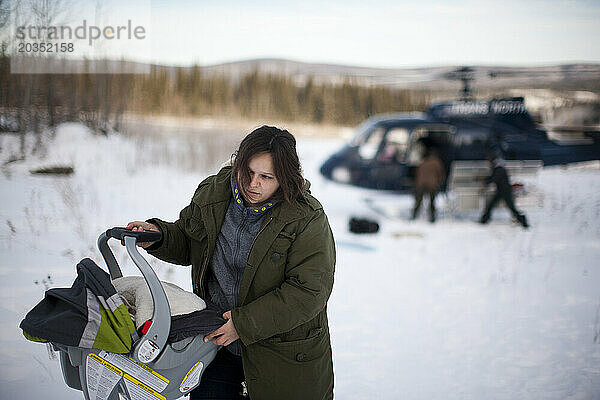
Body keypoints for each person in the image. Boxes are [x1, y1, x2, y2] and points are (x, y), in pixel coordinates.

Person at [125, 126, 336, 400]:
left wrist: (243, 324)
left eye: (266, 177)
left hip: (281, 355)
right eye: (247, 172)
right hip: (216, 344)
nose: (253, 183)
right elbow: (191, 240)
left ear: (285, 178)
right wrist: (159, 236)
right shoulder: (215, 193)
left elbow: (308, 292)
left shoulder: (306, 218)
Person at [479, 154, 529, 228]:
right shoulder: (498, 168)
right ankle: (484, 220)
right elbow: (494, 177)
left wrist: (486, 181)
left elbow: (494, 178)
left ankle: (523, 221)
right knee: (491, 205)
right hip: (501, 190)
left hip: (505, 191)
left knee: (510, 207)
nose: (488, 163)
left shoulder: (499, 169)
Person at [411, 147, 445, 222]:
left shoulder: (422, 161)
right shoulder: (436, 162)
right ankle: (432, 218)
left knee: (418, 202)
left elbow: (417, 173)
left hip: (421, 184)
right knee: (432, 202)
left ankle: (414, 216)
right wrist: (440, 181)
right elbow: (441, 173)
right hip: (432, 184)